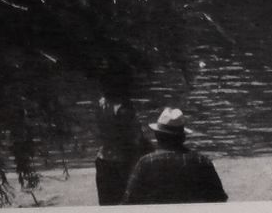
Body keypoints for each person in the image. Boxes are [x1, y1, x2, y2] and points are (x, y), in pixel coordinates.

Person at [121, 109, 227, 205]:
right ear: (183, 137)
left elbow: (129, 201)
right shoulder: (202, 162)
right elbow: (219, 198)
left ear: (157, 136)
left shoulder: (146, 163)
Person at [94, 72, 151, 206]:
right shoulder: (124, 109)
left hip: (103, 157)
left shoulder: (101, 103)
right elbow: (135, 138)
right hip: (122, 162)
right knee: (127, 203)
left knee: (107, 204)